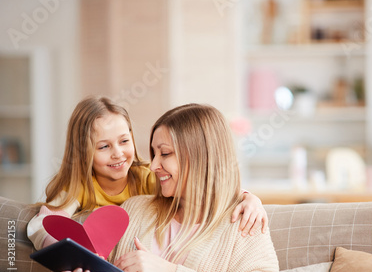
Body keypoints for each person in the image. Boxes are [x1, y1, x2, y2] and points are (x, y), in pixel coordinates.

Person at [53, 103, 285, 272]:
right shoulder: (133, 210)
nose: (153, 165)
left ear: (201, 157)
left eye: (165, 154)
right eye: (154, 154)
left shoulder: (245, 225)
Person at [27, 96, 268, 251]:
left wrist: (248, 198)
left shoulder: (147, 177)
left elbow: (202, 187)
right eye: (103, 147)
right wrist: (61, 250)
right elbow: (44, 224)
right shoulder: (78, 187)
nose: (118, 154)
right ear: (83, 152)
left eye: (124, 141)